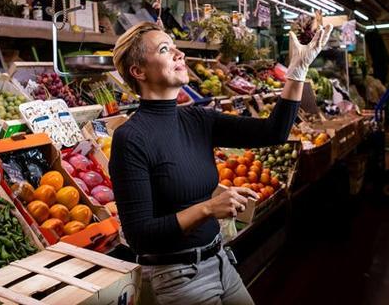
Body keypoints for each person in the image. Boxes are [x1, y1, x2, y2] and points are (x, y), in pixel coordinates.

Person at [110, 21, 333, 305]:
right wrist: (208, 208)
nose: (179, 54)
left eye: (175, 47)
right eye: (166, 49)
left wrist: (297, 71)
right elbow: (140, 237)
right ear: (138, 71)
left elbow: (273, 131)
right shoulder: (131, 138)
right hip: (178, 278)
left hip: (220, 260)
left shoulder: (197, 119)